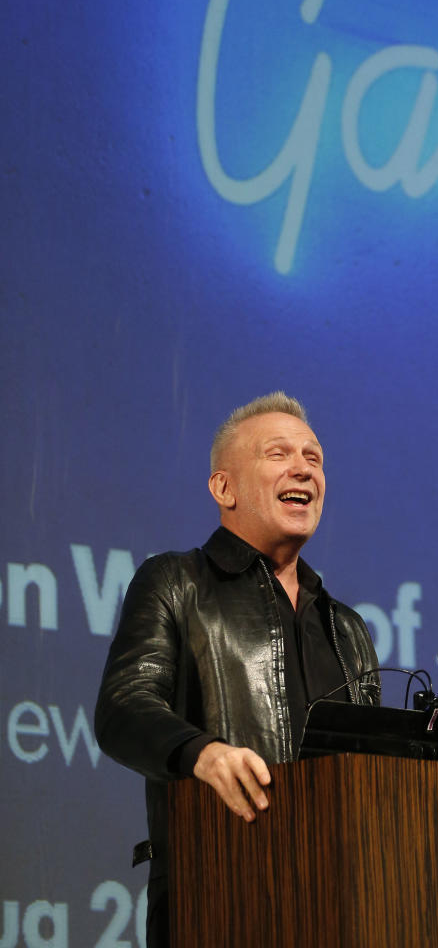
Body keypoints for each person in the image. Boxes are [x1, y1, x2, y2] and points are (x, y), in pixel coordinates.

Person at [95, 391, 380, 948]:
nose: (303, 468)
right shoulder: (177, 583)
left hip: (346, 904)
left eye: (314, 458)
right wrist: (203, 752)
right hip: (219, 893)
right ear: (223, 488)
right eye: (278, 454)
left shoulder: (345, 627)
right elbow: (123, 705)